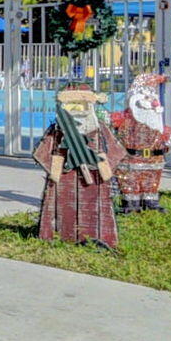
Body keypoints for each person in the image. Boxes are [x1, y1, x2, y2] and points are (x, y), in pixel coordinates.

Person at [33, 86, 119, 250]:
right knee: (64, 207)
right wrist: (57, 165)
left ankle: (98, 237)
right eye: (72, 105)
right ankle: (60, 235)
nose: (77, 110)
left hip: (95, 179)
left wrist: (102, 164)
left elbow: (116, 151)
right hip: (65, 181)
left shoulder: (99, 130)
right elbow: (42, 153)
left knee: (95, 209)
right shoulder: (58, 131)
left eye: (82, 105)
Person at [109, 71, 171, 213]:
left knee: (151, 181)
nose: (151, 101)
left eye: (152, 96)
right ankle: (130, 202)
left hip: (154, 160)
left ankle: (150, 201)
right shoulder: (124, 118)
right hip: (130, 159)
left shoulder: (157, 123)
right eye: (145, 96)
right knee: (130, 181)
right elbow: (109, 121)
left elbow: (168, 134)